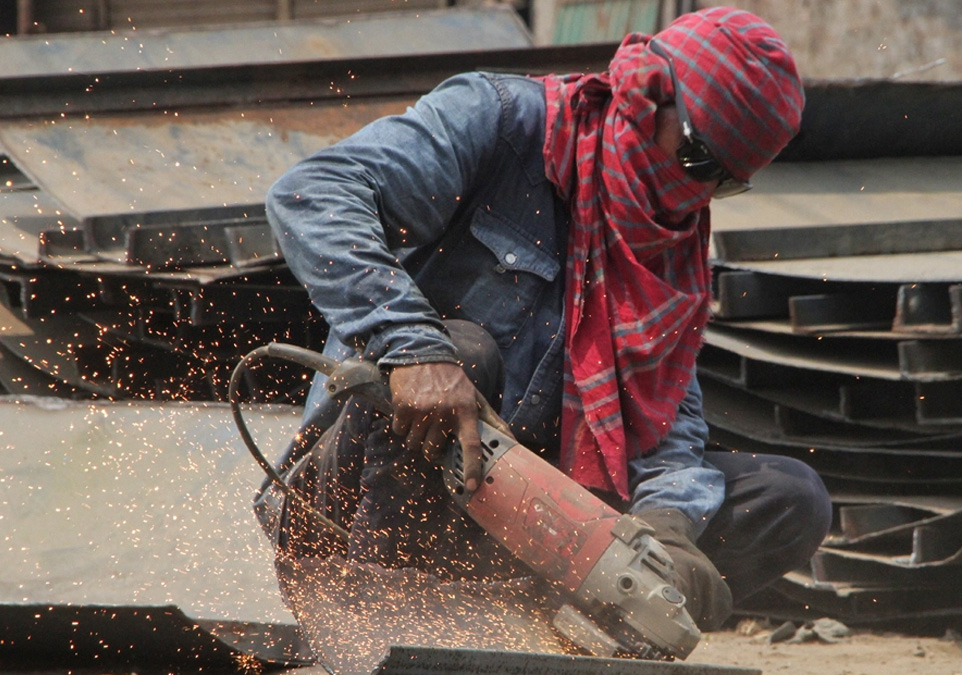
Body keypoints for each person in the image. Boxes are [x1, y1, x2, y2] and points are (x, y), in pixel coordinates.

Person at [262, 6, 832, 632]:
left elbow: (665, 423)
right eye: (697, 161)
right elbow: (311, 193)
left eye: (724, 184)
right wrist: (411, 347)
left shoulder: (670, 244)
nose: (697, 195)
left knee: (789, 498)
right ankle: (378, 626)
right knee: (462, 353)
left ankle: (552, 632)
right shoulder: (499, 122)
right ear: (648, 92)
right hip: (364, 496)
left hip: (520, 516)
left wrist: (670, 529)